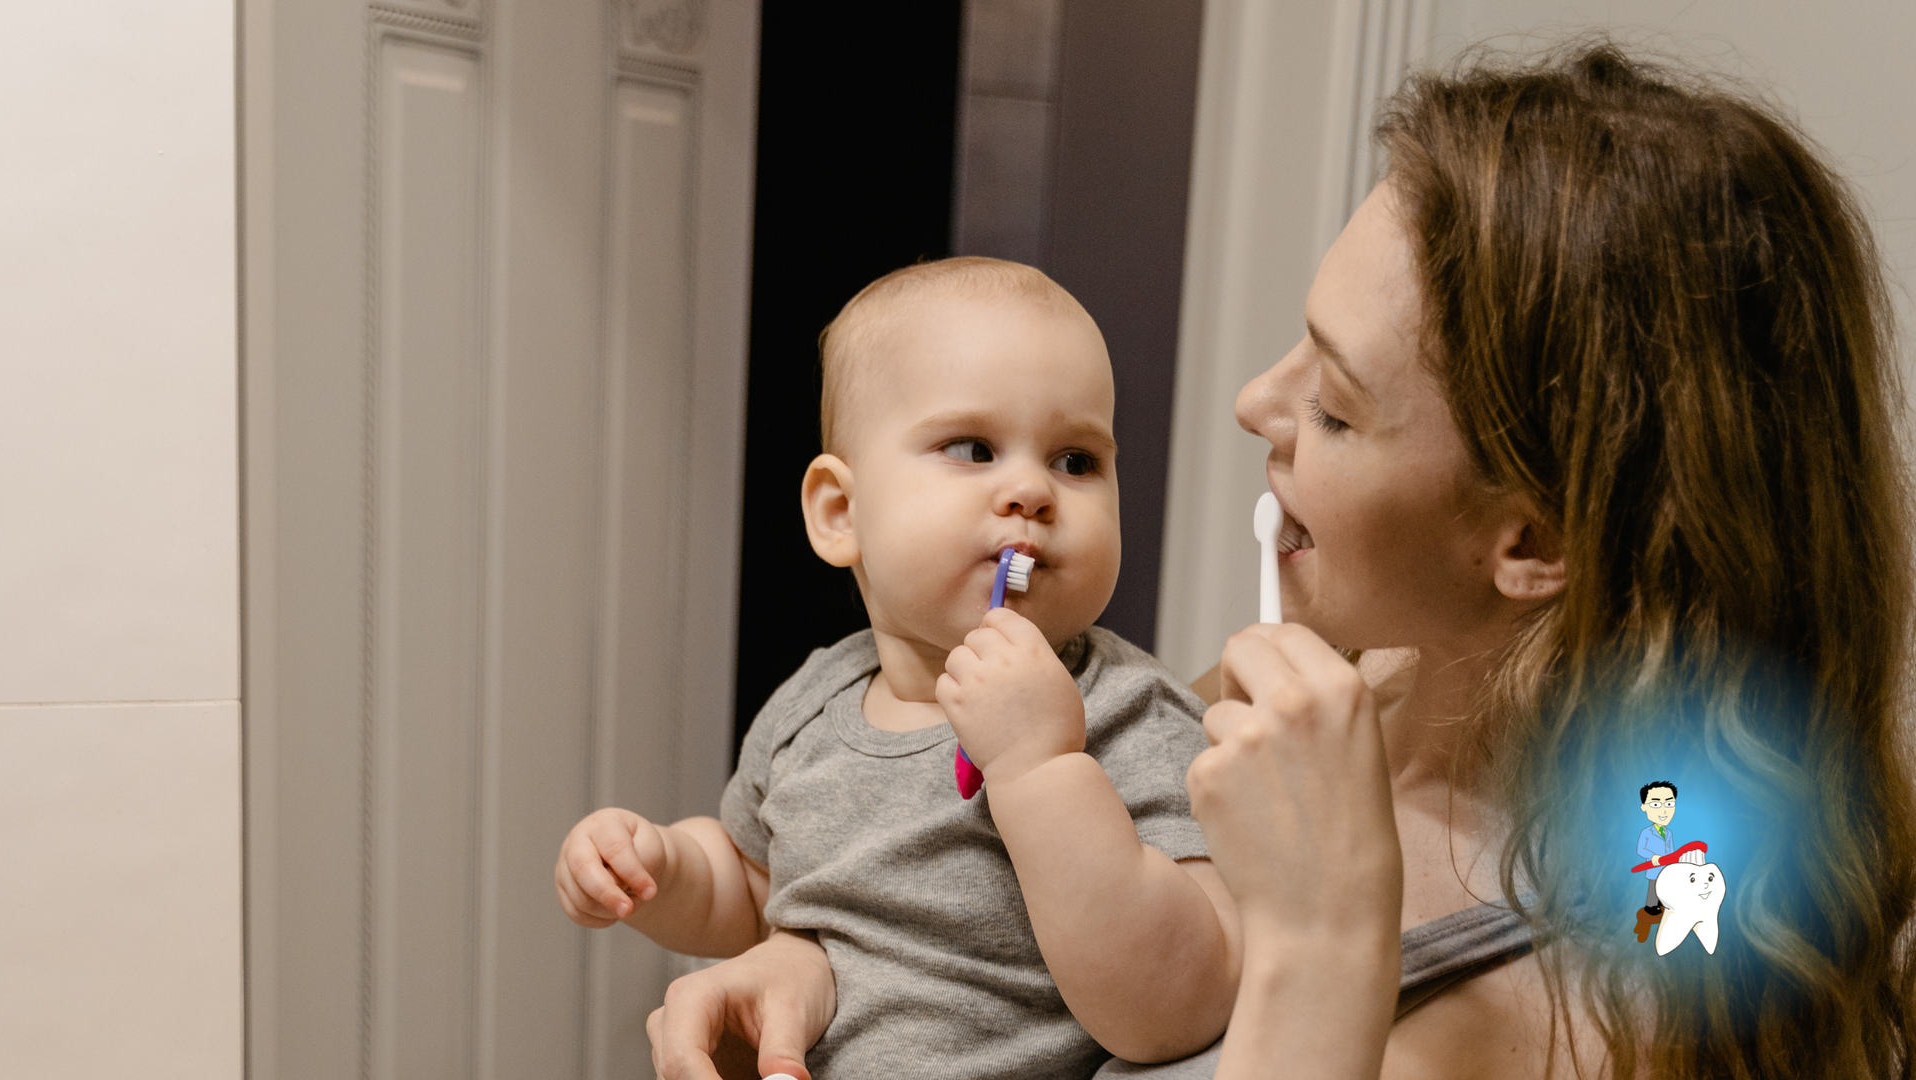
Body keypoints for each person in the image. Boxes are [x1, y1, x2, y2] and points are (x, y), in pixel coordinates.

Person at [644, 44, 1916, 1080]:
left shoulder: (1647, 960)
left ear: (1529, 540)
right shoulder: (1288, 721)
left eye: (1339, 408)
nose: (1258, 402)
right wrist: (815, 969)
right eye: (1294, 350)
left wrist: (1317, 942)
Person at [556, 257, 1240, 1080]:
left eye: (1077, 461)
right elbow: (750, 888)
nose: (1032, 488)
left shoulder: (1134, 713)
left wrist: (1039, 768)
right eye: (974, 447)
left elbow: (1184, 1005)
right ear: (841, 514)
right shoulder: (814, 702)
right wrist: (659, 866)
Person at [1635, 781, 1678, 928]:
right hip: (1654, 868)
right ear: (1644, 807)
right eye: (1655, 805)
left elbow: (1671, 850)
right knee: (1653, 889)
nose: (1664, 811)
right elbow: (1640, 849)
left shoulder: (1669, 833)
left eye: (1669, 804)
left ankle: (1664, 906)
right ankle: (1651, 907)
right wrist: (1652, 856)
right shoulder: (1646, 832)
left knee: (1665, 888)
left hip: (1667, 868)